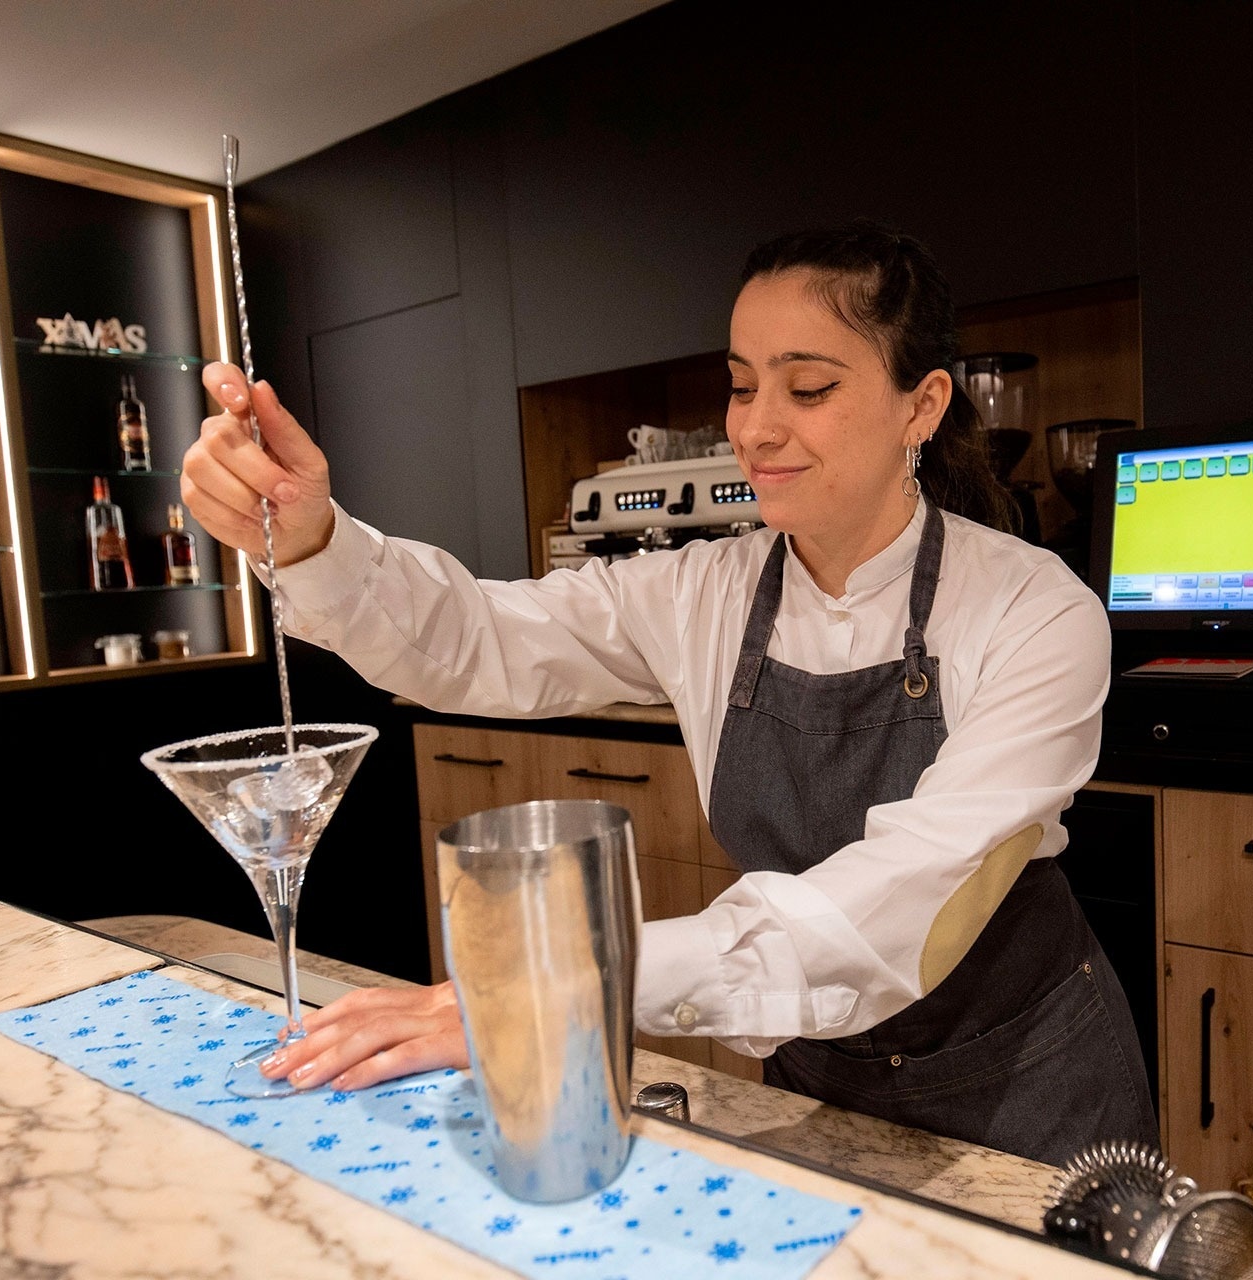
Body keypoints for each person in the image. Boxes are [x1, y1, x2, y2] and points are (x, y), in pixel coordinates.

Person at [181, 218, 1157, 1166]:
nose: (756, 426)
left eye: (809, 386)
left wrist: (568, 983)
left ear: (923, 403)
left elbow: (906, 899)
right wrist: (313, 538)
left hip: (1026, 1090)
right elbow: (472, 640)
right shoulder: (704, 589)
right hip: (818, 1077)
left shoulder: (1035, 609)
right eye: (739, 385)